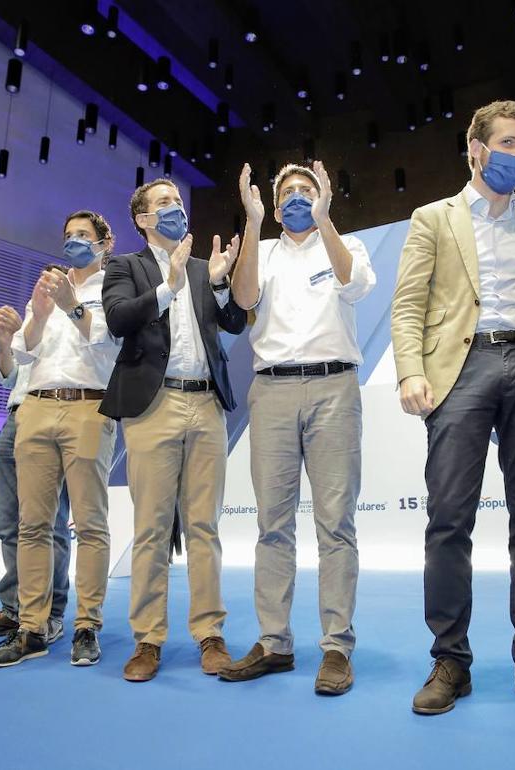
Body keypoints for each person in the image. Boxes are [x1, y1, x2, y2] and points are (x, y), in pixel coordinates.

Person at [391, 100, 515, 716]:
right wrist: (411, 371)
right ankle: (450, 659)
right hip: (459, 369)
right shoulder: (431, 218)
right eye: (509, 144)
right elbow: (409, 302)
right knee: (448, 519)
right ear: (475, 147)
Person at [217, 160, 375, 695]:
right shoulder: (259, 249)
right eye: (289, 192)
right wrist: (252, 220)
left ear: (325, 196)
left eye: (307, 191)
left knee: (336, 523)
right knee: (272, 524)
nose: (297, 199)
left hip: (334, 388)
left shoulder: (345, 246)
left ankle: (336, 648)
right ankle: (274, 642)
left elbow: (354, 286)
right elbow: (242, 301)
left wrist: (326, 220)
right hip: (273, 391)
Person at [101, 178, 247, 682]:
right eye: (163, 204)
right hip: (153, 404)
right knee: (152, 529)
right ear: (141, 219)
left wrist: (222, 282)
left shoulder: (208, 268)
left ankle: (211, 633)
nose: (174, 209)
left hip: (206, 403)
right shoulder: (125, 266)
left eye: (178, 202)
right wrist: (170, 284)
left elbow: (234, 323)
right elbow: (119, 319)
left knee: (204, 526)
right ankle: (148, 638)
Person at [0, 213, 122, 668]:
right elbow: (23, 355)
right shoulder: (46, 285)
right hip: (37, 404)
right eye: (68, 236)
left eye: (84, 235)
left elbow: (110, 345)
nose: (74, 242)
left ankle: (87, 625)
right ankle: (31, 627)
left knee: (89, 523)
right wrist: (21, 328)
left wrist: (71, 305)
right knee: (32, 524)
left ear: (106, 242)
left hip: (89, 404)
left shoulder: (115, 283)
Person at [0, 299, 73, 646]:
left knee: (49, 524)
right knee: (10, 524)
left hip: (54, 413)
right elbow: (9, 378)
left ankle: (49, 612)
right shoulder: (29, 322)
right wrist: (4, 340)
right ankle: (14, 608)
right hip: (14, 418)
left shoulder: (69, 318)